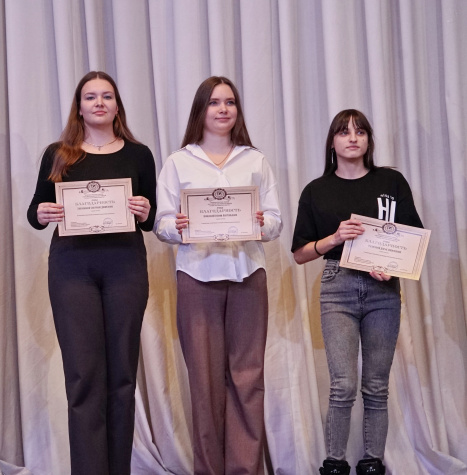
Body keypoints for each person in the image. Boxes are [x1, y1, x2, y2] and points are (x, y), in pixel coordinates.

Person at [27, 71, 156, 475]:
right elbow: (35, 212)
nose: (99, 103)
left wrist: (145, 210)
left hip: (125, 268)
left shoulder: (139, 154)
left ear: (117, 106)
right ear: (79, 107)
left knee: (122, 377)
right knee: (83, 377)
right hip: (72, 270)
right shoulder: (58, 153)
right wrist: (42, 212)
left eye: (106, 96)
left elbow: (152, 219)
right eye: (90, 97)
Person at [154, 76, 282, 475]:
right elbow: (161, 224)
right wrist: (179, 226)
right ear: (201, 110)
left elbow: (276, 221)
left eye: (229, 102)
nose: (223, 109)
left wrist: (261, 222)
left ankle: (245, 469)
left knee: (248, 377)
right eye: (214, 102)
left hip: (248, 275)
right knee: (205, 382)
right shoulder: (179, 162)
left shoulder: (255, 161)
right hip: (197, 275)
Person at [291, 109, 423, 475]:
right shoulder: (316, 190)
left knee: (376, 384)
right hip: (338, 286)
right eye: (344, 132)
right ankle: (334, 462)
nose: (353, 138)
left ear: (369, 140)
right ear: (332, 142)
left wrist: (392, 267)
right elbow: (300, 253)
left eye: (360, 131)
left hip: (383, 289)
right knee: (343, 384)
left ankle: (372, 461)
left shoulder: (391, 182)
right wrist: (334, 238)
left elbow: (413, 239)